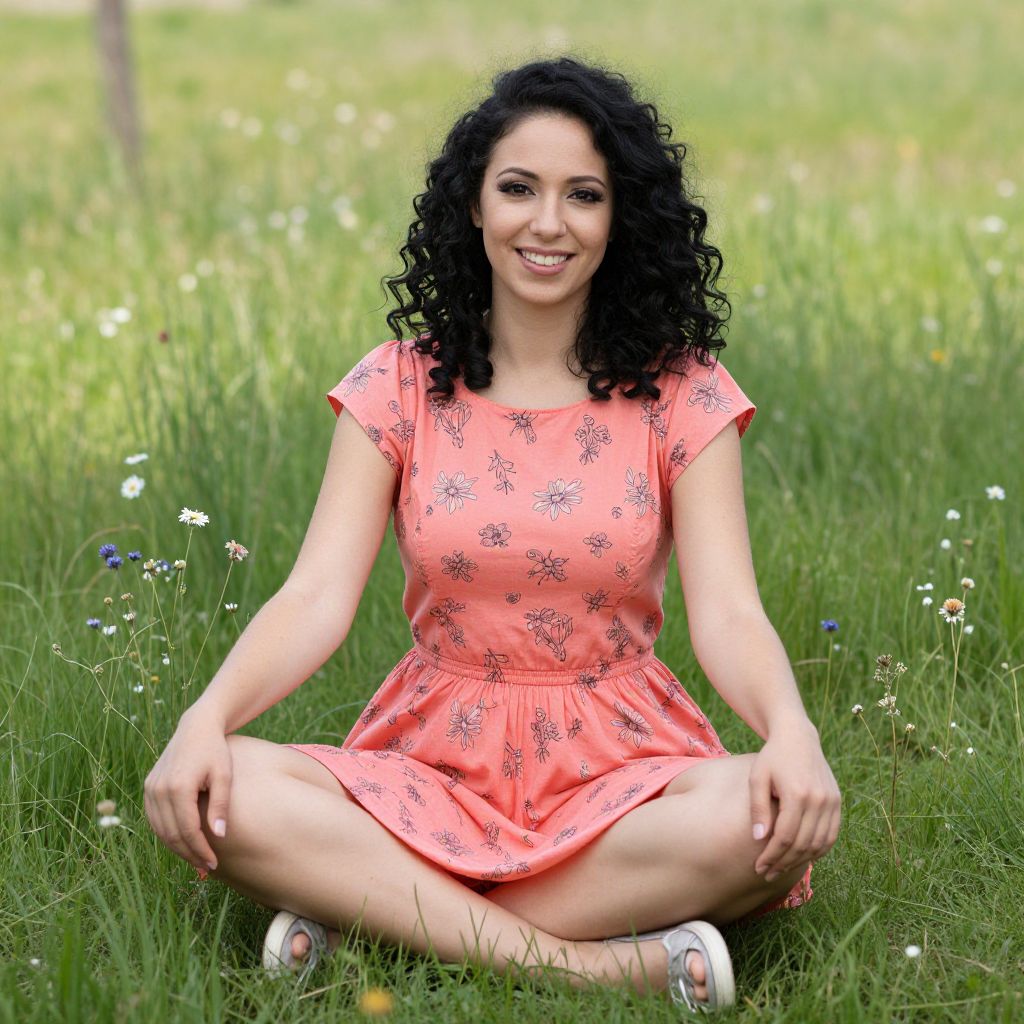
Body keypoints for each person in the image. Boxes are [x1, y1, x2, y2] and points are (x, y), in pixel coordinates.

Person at [144, 55, 841, 1013]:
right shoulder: (398, 384)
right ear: (473, 206)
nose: (546, 223)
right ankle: (592, 965)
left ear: (618, 217)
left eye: (583, 195)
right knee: (226, 795)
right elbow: (314, 597)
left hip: (623, 767)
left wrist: (792, 731)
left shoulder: (683, 391)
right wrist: (204, 720)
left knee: (755, 822)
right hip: (435, 756)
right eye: (518, 188)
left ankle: (377, 917)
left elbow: (728, 612)